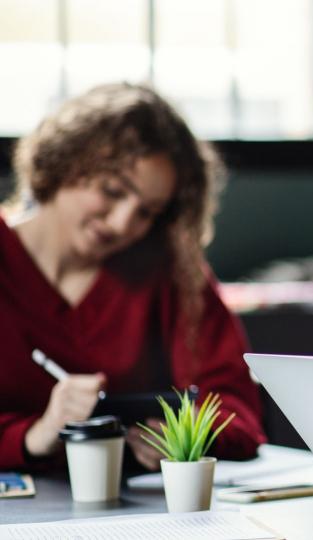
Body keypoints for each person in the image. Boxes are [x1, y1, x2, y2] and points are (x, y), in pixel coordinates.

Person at [0, 83, 266, 471]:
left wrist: (182, 434)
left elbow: (237, 408)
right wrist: (34, 434)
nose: (124, 223)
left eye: (147, 212)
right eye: (111, 191)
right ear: (63, 162)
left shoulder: (170, 271)